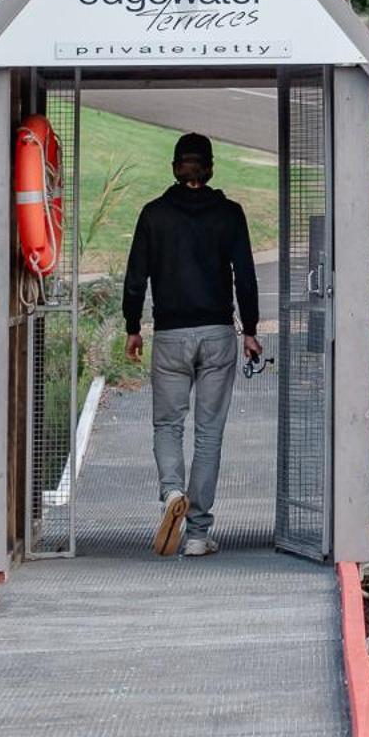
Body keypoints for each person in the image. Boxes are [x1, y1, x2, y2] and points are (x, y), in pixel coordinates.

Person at [122, 133, 262, 557]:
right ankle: (198, 533)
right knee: (209, 432)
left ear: (174, 168)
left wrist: (133, 326)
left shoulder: (153, 215)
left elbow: (135, 276)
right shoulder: (230, 214)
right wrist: (250, 329)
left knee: (167, 424)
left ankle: (170, 493)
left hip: (169, 336)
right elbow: (246, 275)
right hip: (218, 335)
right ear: (211, 168)